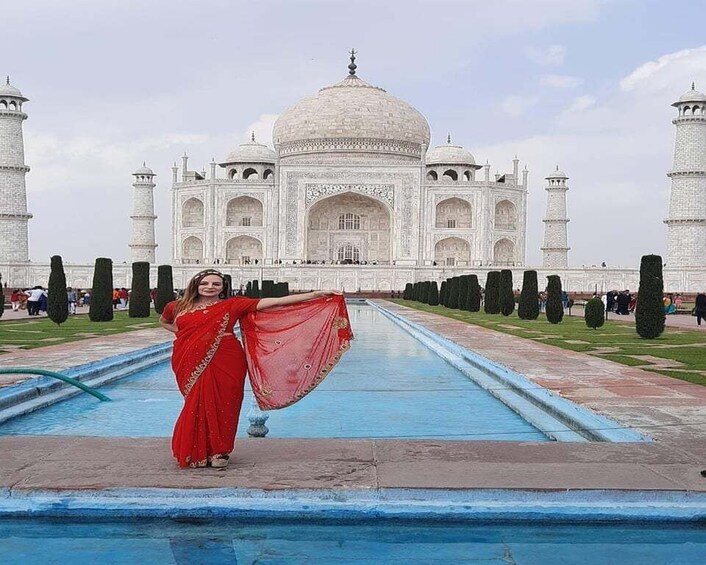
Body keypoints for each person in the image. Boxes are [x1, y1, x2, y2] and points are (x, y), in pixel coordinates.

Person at [159, 269, 352, 469]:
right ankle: (195, 451)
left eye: (216, 284)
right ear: (195, 285)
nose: (210, 287)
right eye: (205, 283)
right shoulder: (177, 306)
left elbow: (275, 302)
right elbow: (164, 321)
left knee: (225, 404)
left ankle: (219, 452)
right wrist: (185, 336)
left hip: (227, 358)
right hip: (188, 360)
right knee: (195, 403)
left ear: (223, 287)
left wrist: (315, 294)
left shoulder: (232, 304)